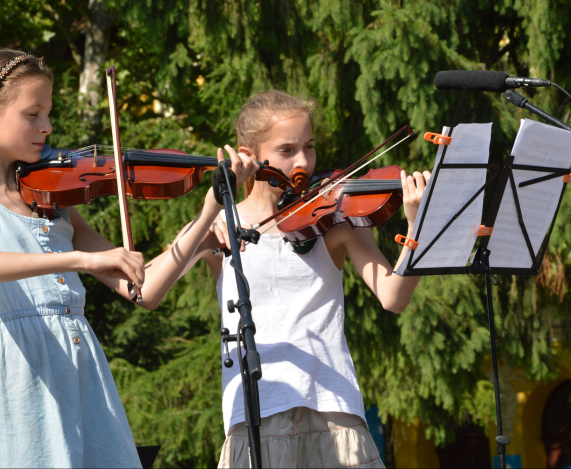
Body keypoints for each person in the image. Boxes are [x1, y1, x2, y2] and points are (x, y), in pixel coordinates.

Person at [0, 49, 259, 468]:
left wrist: (206, 213)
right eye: (33, 114)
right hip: (23, 373)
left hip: (82, 367)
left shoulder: (53, 203)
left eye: (48, 114)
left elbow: (144, 289)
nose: (46, 128)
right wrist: (78, 259)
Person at [169, 90, 431, 468]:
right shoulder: (221, 226)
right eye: (287, 150)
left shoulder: (336, 220)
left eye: (308, 147)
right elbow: (148, 284)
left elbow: (394, 297)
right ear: (248, 153)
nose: (304, 162)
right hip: (256, 414)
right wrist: (206, 220)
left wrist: (417, 226)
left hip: (334, 413)